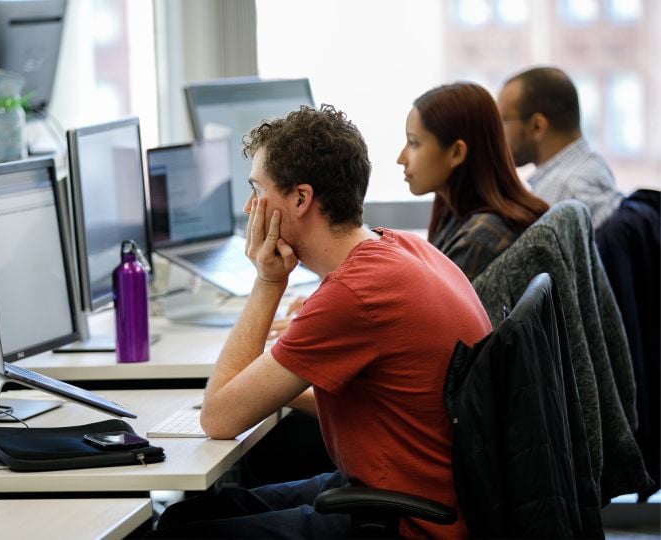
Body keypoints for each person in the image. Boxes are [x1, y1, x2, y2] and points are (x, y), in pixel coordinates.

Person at [150, 105, 492, 539]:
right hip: (418, 492)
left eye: (258, 189)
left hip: (410, 521)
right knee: (186, 516)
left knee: (177, 534)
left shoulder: (354, 294)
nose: (248, 206)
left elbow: (218, 418)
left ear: (300, 199)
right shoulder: (399, 247)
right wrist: (277, 386)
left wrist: (268, 281)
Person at [397, 82, 550, 281]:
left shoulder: (480, 239)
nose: (401, 158)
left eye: (414, 143)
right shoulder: (454, 214)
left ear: (456, 153)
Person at [497, 66, 623, 228]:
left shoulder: (561, 191)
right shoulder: (593, 165)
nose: (498, 132)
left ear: (537, 126)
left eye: (504, 121)